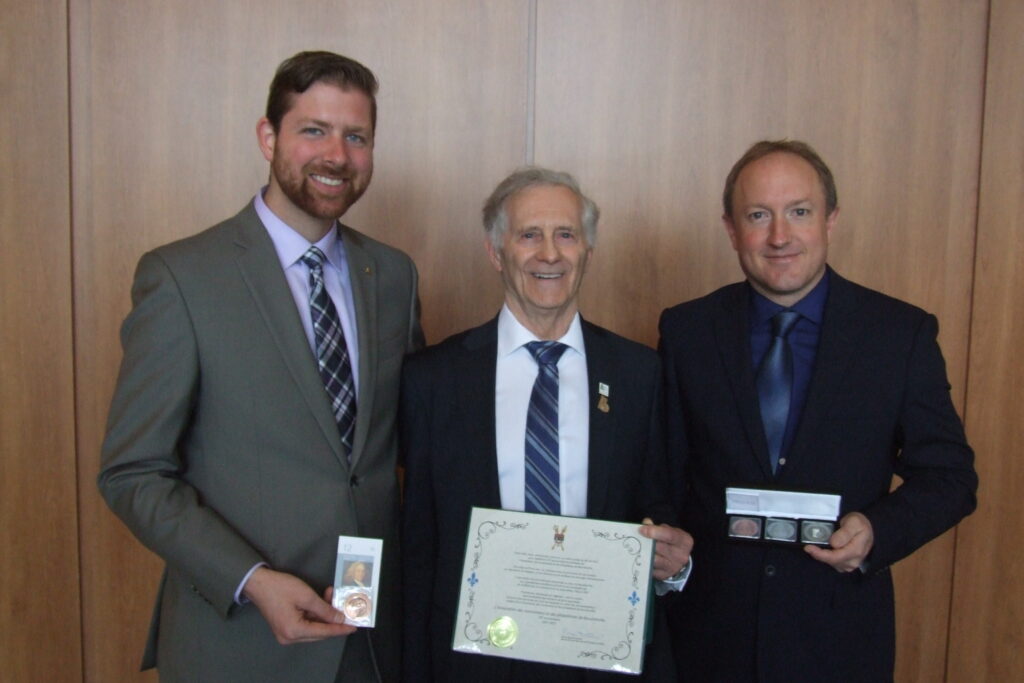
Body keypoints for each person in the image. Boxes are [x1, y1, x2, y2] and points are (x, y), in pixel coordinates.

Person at [97, 51, 423, 682]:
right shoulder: (182, 279)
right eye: (313, 130)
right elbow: (133, 473)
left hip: (371, 644)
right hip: (240, 642)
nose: (337, 155)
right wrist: (250, 580)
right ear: (268, 136)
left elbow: (401, 447)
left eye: (356, 137)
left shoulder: (394, 276)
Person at [658, 139, 978, 681]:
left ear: (831, 220)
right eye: (758, 215)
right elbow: (662, 471)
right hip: (708, 638)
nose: (779, 236)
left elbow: (950, 477)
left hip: (838, 638)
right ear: (732, 229)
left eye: (799, 212)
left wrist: (878, 530)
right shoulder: (687, 331)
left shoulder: (899, 334)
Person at [400, 167, 693, 682]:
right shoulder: (433, 379)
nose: (549, 254)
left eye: (566, 235)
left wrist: (675, 559)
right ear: (496, 253)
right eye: (529, 235)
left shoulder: (639, 373)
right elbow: (419, 544)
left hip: (600, 658)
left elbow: (661, 505)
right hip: (473, 663)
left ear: (587, 252)